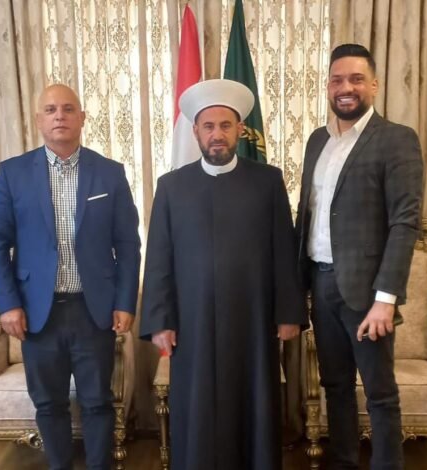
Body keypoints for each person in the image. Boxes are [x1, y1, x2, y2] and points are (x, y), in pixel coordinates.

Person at [139, 79, 307, 470]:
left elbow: (284, 250)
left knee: (254, 403)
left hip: (254, 320)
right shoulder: (171, 187)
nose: (217, 134)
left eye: (226, 125)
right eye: (209, 126)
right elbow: (159, 258)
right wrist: (160, 320)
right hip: (192, 323)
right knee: (196, 407)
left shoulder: (268, 181)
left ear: (240, 130)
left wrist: (288, 313)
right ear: (196, 132)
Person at [0, 84, 140, 470]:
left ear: (82, 118)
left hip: (93, 311)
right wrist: (9, 304)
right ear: (38, 120)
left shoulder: (110, 173)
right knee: (49, 404)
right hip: (39, 313)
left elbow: (128, 244)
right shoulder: (13, 174)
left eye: (68, 109)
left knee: (97, 402)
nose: (59, 116)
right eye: (50, 110)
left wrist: (125, 302)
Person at [295, 44, 424, 470]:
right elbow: (308, 214)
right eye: (337, 80)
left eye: (355, 79)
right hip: (321, 285)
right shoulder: (317, 141)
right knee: (335, 388)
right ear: (328, 87)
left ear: (374, 85)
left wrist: (386, 299)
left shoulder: (396, 139)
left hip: (368, 294)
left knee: (380, 394)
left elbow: (404, 222)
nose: (345, 88)